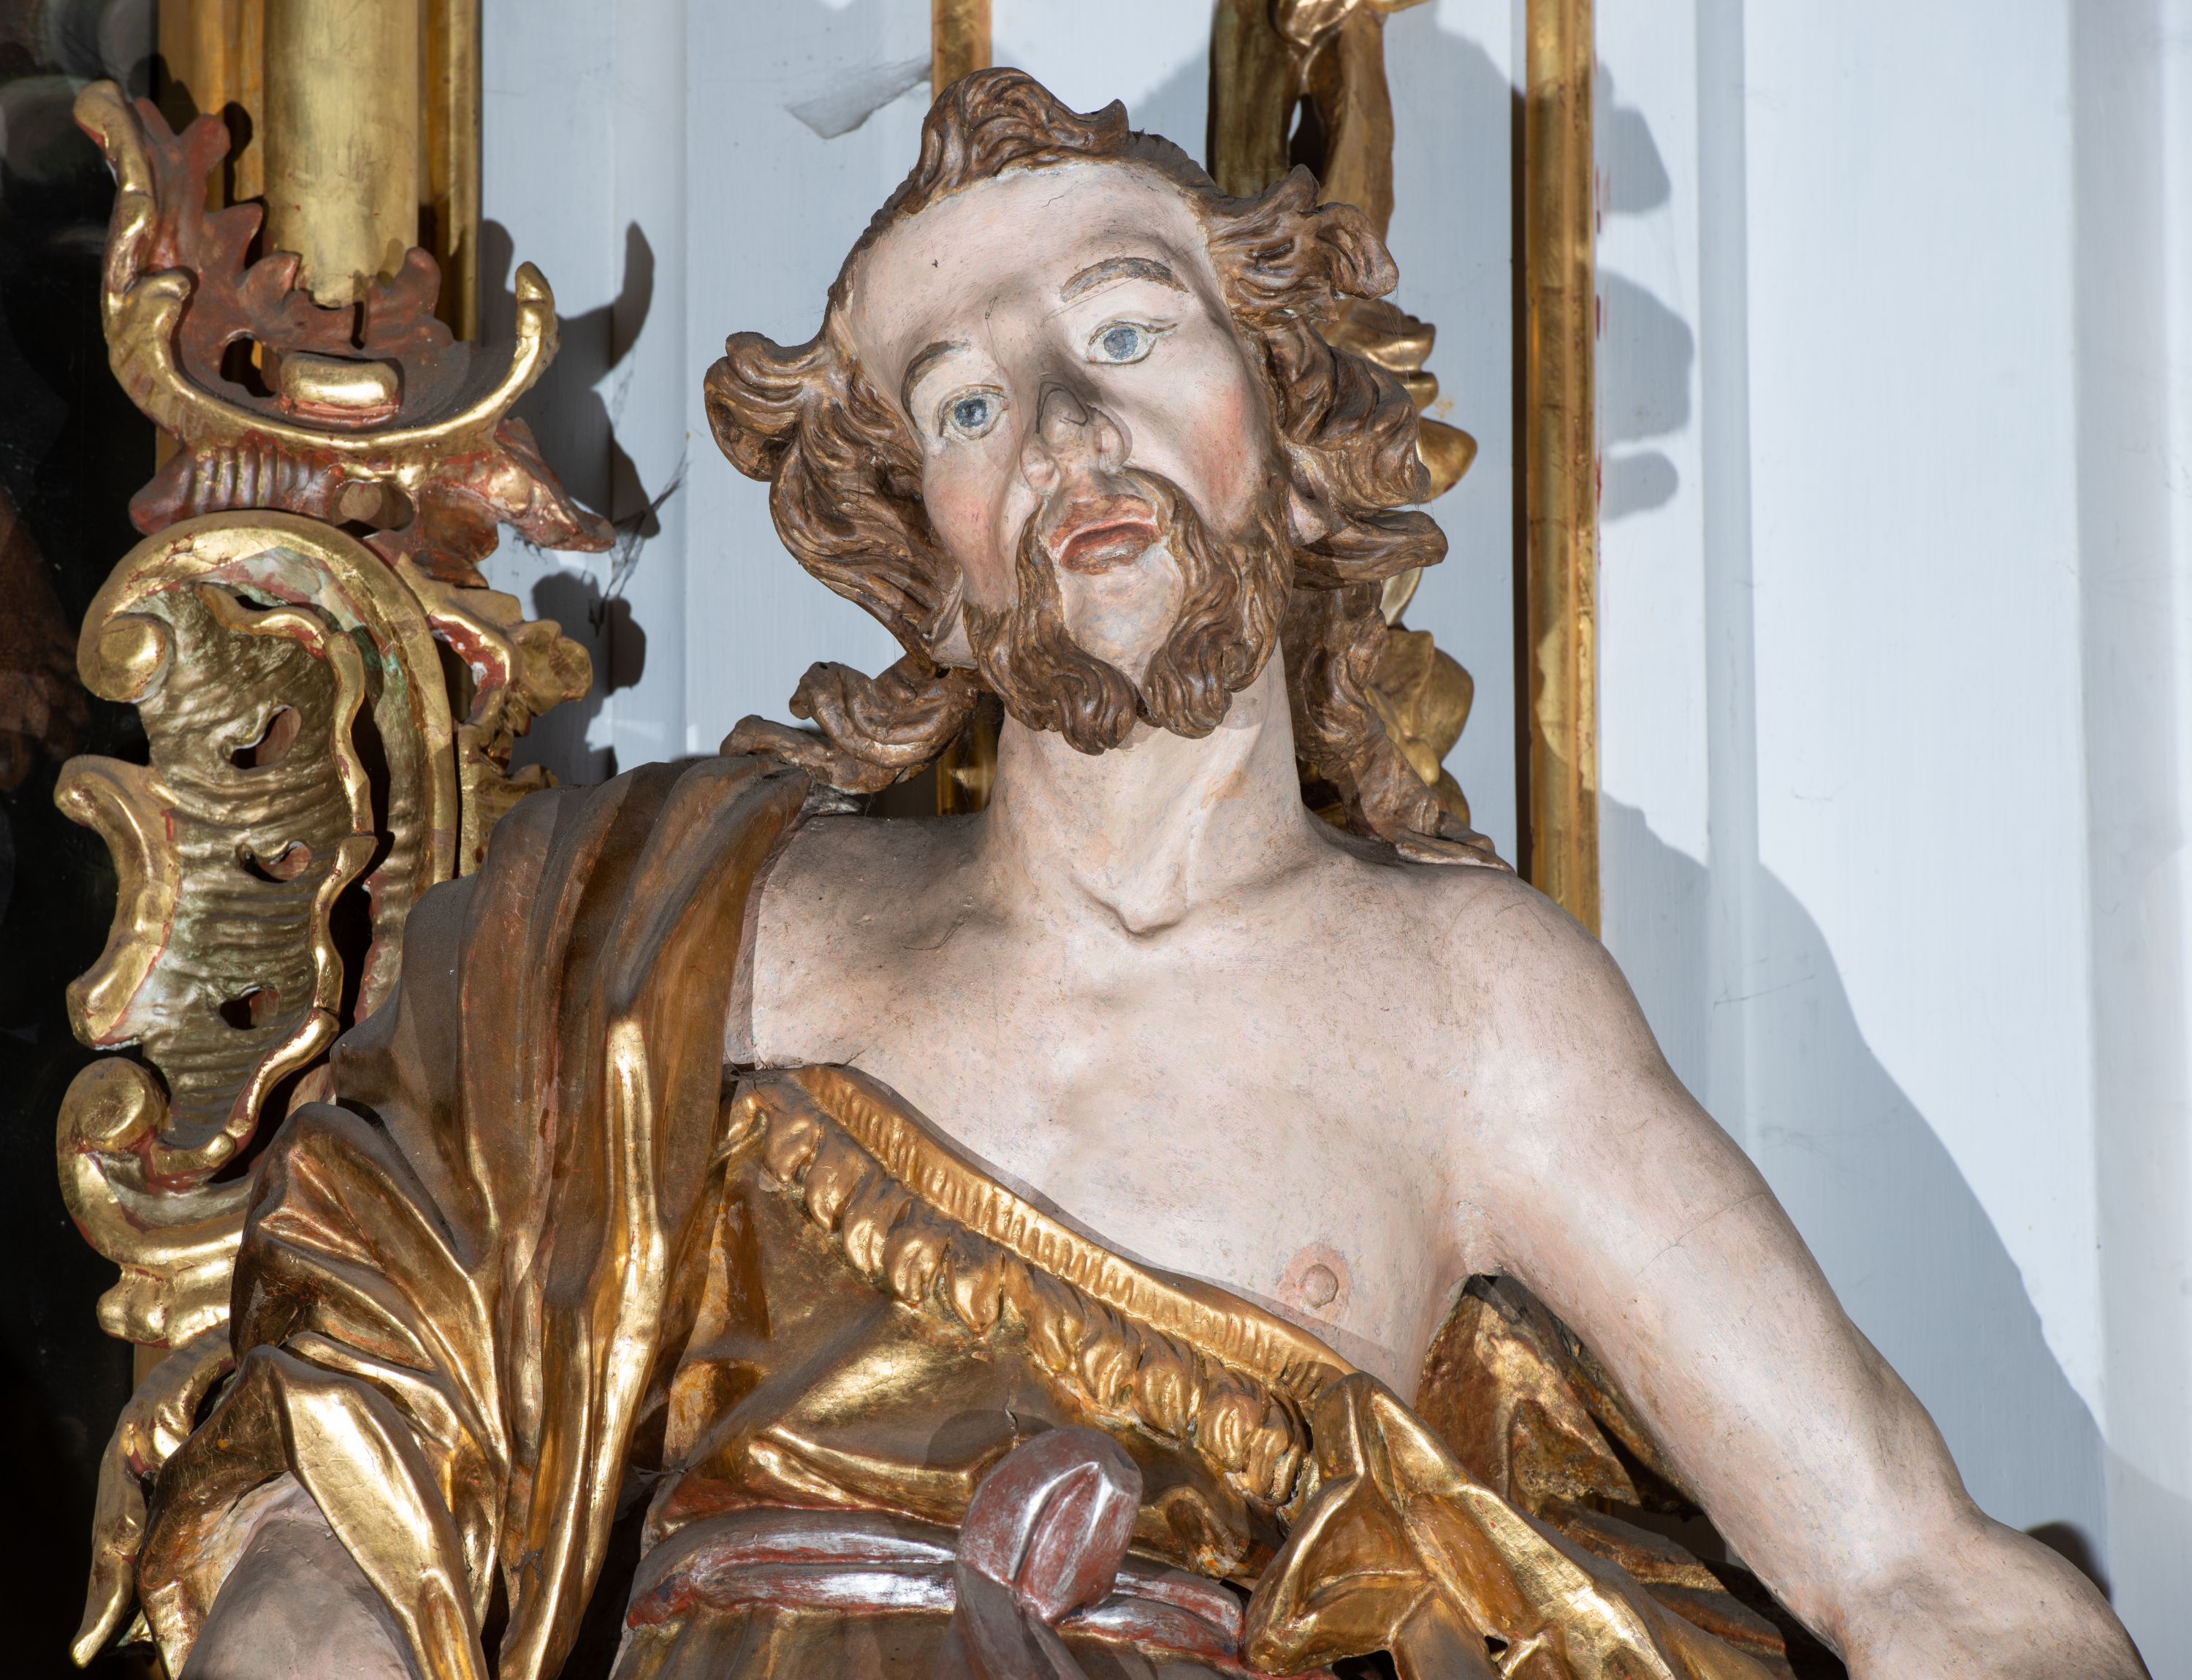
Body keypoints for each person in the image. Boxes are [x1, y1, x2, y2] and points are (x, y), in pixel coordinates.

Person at [138, 70, 2142, 1680]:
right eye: (968, 400)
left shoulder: (1471, 1008)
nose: (1067, 428)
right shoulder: (677, 926)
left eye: (1125, 329)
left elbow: (1908, 1564)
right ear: (922, 550)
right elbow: (342, 1462)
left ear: (1289, 412)